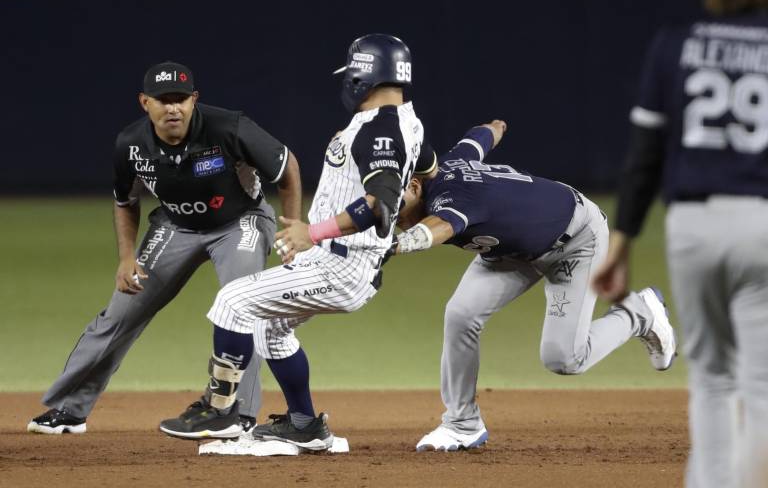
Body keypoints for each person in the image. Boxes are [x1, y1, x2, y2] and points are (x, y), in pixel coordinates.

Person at [159, 34, 438, 449]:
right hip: (336, 257)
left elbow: (380, 205)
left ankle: (220, 413)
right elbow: (428, 171)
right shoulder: (405, 122)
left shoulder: (382, 127)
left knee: (233, 302)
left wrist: (315, 232)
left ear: (362, 76)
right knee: (270, 329)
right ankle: (305, 424)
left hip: (344, 263)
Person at [27, 61, 302, 438]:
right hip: (175, 225)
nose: (173, 108)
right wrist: (126, 257)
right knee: (120, 313)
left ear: (194, 101)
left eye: (180, 99)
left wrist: (293, 226)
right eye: (163, 100)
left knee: (241, 305)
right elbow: (125, 201)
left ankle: (237, 412)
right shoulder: (130, 144)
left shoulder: (229, 127)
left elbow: (287, 168)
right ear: (145, 103)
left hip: (242, 222)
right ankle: (71, 410)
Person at [389, 120, 676, 452]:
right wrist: (492, 128)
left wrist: (395, 246)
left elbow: (439, 228)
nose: (393, 214)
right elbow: (476, 141)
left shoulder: (452, 198)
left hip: (576, 241)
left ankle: (640, 313)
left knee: (564, 359)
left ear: (414, 185)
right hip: (511, 252)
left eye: (395, 204)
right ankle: (462, 423)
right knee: (461, 314)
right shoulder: (451, 163)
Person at [592, 0, 768, 486]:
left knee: (713, 381)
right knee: (761, 387)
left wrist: (621, 242)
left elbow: (645, 157)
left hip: (694, 226)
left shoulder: (677, 42)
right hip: (761, 222)